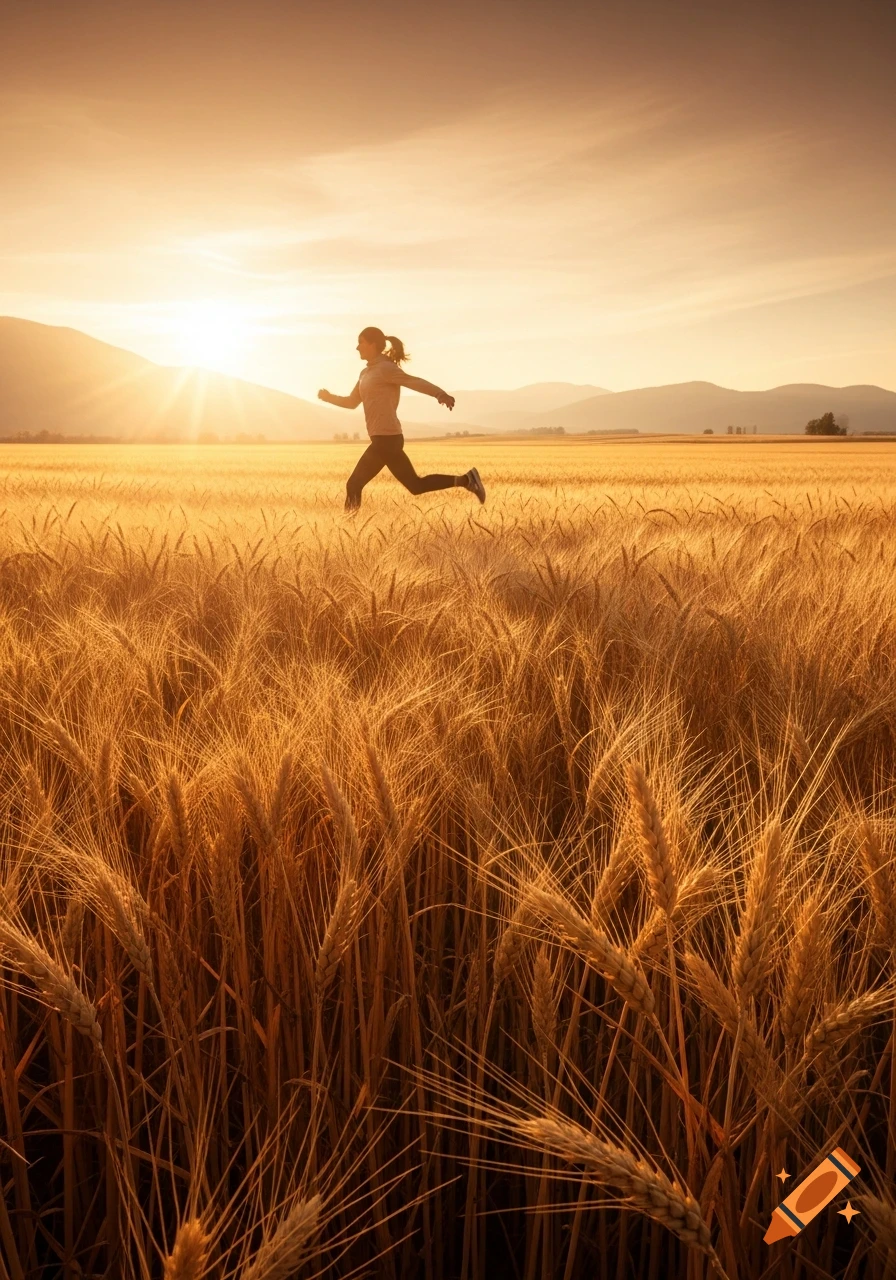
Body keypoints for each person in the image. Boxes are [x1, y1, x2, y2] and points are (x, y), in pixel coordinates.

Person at [318, 327, 486, 512]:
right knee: (416, 485)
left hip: (386, 439)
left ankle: (348, 529)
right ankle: (467, 480)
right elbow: (351, 402)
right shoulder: (365, 374)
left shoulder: (386, 369)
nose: (357, 347)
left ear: (373, 344)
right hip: (384, 439)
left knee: (354, 485)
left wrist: (440, 394)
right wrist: (329, 397)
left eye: (361, 342)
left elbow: (414, 382)